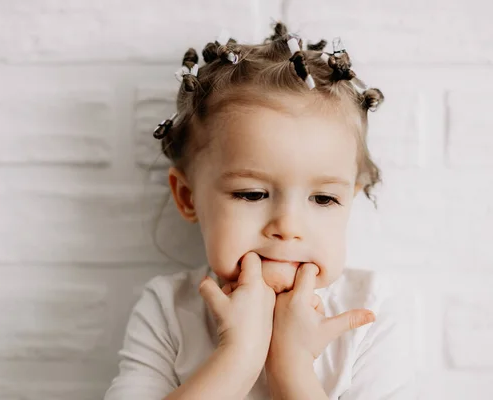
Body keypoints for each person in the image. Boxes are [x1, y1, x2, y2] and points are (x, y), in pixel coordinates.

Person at [104, 22, 418, 400]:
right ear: (188, 197)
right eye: (252, 194)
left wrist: (292, 365)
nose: (287, 227)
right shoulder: (169, 309)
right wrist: (239, 354)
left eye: (323, 199)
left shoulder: (370, 309)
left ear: (350, 200)